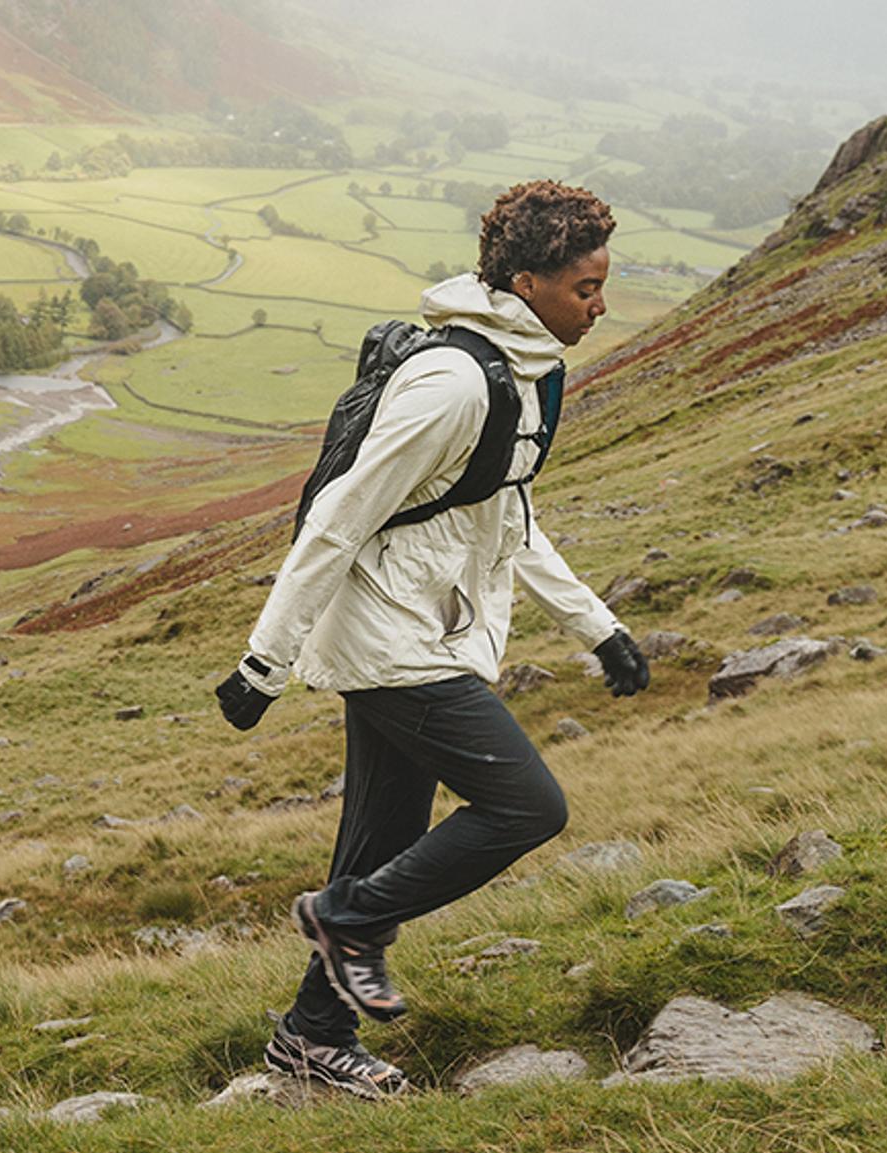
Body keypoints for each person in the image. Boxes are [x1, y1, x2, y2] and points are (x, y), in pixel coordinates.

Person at [217, 181, 651, 1098]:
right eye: (586, 288)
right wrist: (266, 660)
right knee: (529, 806)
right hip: (389, 638)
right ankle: (346, 920)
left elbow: (504, 514)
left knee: (382, 835)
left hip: (429, 625)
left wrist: (596, 626)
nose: (601, 304)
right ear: (528, 283)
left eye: (604, 283)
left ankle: (310, 1036)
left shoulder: (528, 369)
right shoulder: (454, 383)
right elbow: (339, 516)